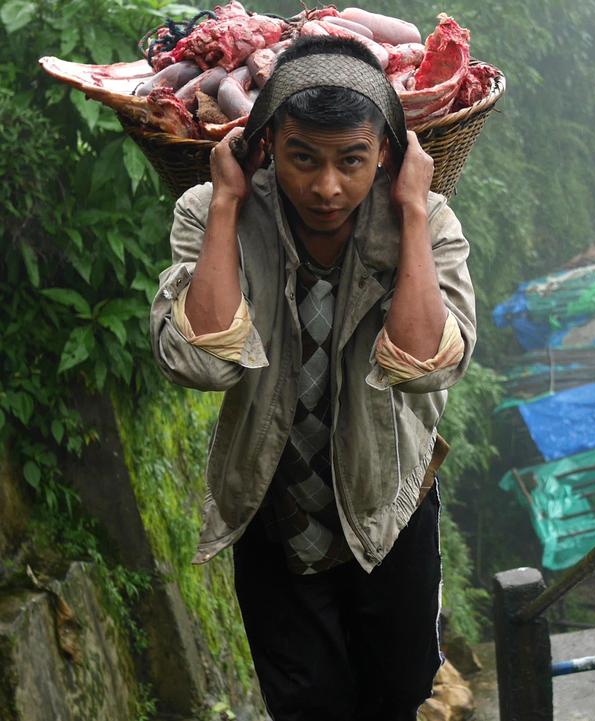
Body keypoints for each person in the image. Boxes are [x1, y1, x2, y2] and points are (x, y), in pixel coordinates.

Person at [148, 37, 477, 720]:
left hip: (388, 511)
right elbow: (201, 361)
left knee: (401, 702)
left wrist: (414, 210)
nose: (327, 187)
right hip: (274, 519)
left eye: (351, 160)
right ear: (266, 146)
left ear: (384, 153)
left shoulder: (425, 221)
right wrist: (225, 208)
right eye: (304, 158)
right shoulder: (211, 214)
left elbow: (424, 367)